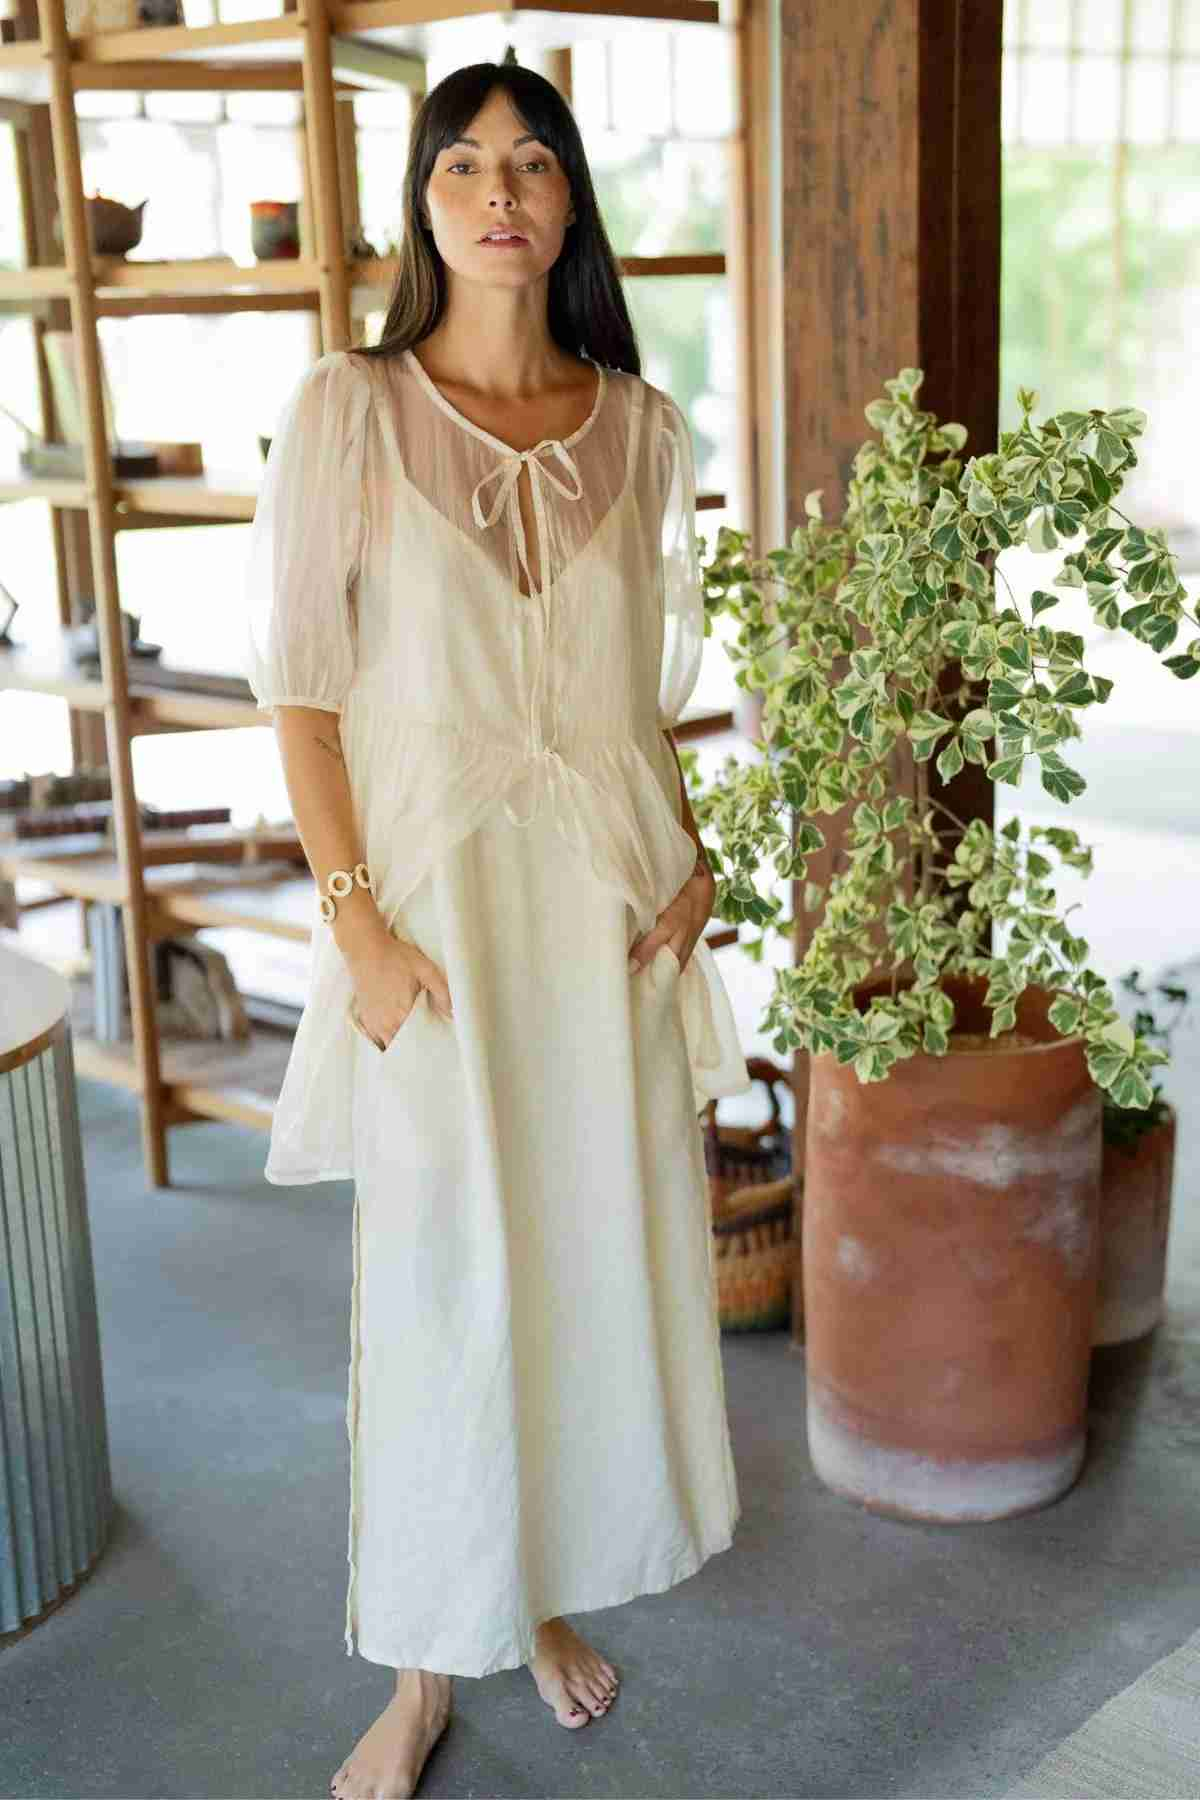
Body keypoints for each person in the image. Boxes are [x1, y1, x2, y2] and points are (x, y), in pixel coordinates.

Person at [243, 57, 751, 1800]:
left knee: (585, 1258)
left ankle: (531, 1599)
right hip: (437, 926)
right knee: (447, 1277)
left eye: (533, 161)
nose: (501, 191)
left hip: (604, 912)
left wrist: (690, 870)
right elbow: (305, 703)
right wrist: (359, 931)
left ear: (572, 200)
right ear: (425, 203)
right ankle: (417, 1671)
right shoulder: (350, 411)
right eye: (464, 164)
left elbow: (636, 704)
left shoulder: (644, 425)